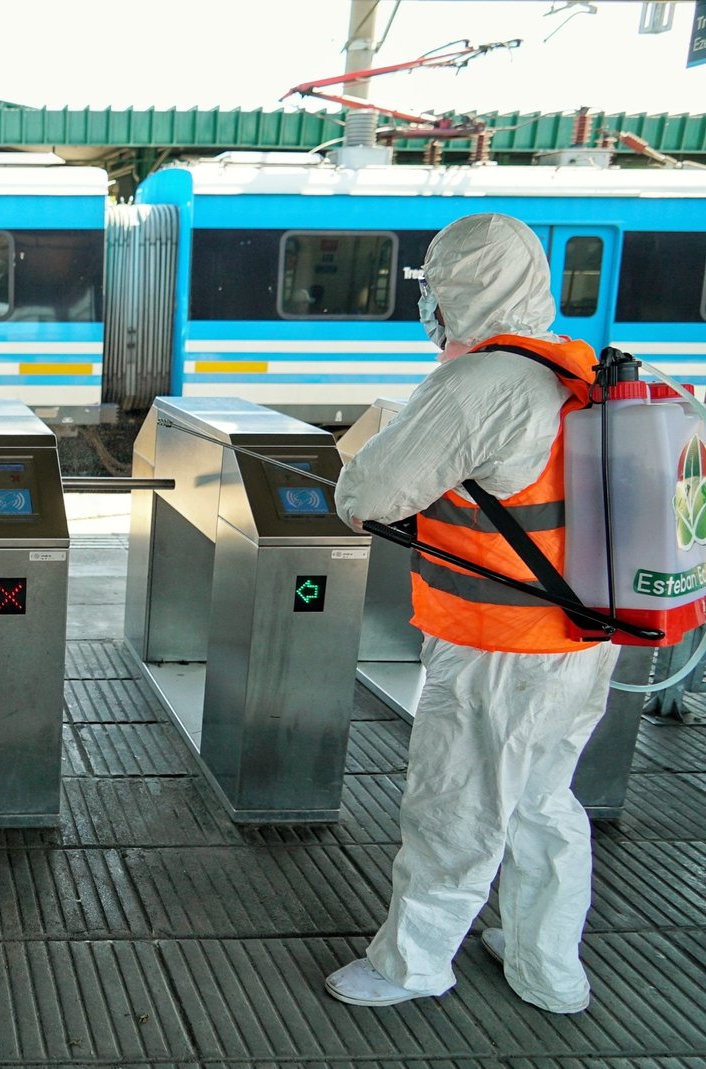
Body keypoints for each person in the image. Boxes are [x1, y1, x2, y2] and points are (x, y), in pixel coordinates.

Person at [325, 213, 620, 1014]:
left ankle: (413, 963)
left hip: (500, 645)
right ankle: (547, 967)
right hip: (585, 635)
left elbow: (370, 495)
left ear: (456, 291)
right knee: (543, 798)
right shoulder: (577, 366)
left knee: (458, 800)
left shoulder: (479, 383)